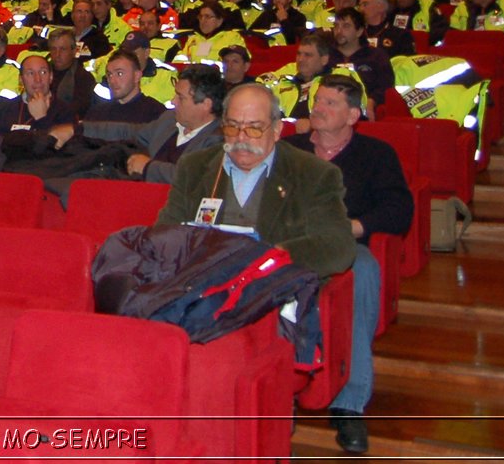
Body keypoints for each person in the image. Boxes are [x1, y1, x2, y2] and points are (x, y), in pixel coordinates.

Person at [156, 83, 359, 449]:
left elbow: (338, 247)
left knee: (218, 364)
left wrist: (273, 256)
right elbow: (165, 232)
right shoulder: (197, 166)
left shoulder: (313, 175)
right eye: (232, 126)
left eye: (254, 127)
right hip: (202, 293)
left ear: (278, 129)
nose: (241, 137)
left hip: (269, 299)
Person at [284, 74, 414, 455]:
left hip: (346, 244)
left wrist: (355, 226)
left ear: (354, 115)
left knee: (362, 272)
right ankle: (281, 394)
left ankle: (349, 404)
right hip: (291, 243)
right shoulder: (289, 149)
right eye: (317, 101)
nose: (318, 109)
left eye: (330, 104)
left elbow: (398, 209)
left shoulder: (376, 154)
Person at [70, 64, 226, 186]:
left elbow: (195, 178)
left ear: (206, 104)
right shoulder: (169, 120)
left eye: (181, 97)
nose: (173, 101)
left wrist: (148, 167)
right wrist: (81, 128)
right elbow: (128, 132)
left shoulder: (218, 139)